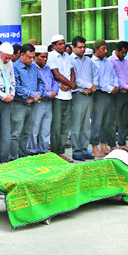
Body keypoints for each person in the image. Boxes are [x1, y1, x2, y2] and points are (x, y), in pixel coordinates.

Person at [11, 44, 44, 159]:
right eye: (29, 57)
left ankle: (23, 156)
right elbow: (16, 86)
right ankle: (13, 158)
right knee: (16, 133)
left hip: (32, 104)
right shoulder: (14, 67)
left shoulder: (34, 67)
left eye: (33, 57)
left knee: (26, 132)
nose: (31, 60)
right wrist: (31, 94)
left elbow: (41, 82)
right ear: (22, 55)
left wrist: (38, 95)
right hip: (19, 104)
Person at [48, 34, 76, 162]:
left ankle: (61, 152)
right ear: (54, 45)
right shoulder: (51, 56)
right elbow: (57, 75)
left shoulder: (67, 56)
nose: (62, 46)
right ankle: (55, 152)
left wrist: (71, 85)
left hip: (68, 94)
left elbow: (71, 71)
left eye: (63, 43)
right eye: (59, 43)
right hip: (58, 95)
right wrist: (71, 84)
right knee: (57, 126)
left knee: (65, 125)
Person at [70, 36, 97, 161]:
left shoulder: (89, 60)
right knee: (77, 124)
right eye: (79, 47)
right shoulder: (71, 60)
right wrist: (88, 86)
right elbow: (75, 79)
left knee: (86, 124)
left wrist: (93, 86)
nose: (82, 49)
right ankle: (76, 150)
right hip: (78, 95)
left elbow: (95, 74)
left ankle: (84, 148)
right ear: (73, 47)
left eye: (83, 47)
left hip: (89, 94)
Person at [90, 39, 119, 158]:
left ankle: (104, 145)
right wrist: (109, 88)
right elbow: (98, 80)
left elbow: (114, 75)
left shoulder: (108, 62)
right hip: (100, 93)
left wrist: (116, 85)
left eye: (106, 49)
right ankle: (94, 147)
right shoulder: (92, 62)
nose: (105, 51)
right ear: (96, 50)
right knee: (97, 121)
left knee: (108, 121)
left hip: (110, 94)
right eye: (103, 49)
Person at [28, 46, 58, 155]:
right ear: (35, 57)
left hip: (48, 102)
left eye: (46, 57)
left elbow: (54, 82)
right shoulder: (31, 68)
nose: (45, 59)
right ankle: (32, 150)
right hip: (38, 102)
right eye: (42, 57)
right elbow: (34, 86)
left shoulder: (47, 68)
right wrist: (48, 93)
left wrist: (54, 92)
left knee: (46, 129)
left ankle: (44, 151)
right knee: (34, 128)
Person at [108, 41, 128, 151]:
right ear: (117, 50)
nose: (124, 54)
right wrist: (124, 85)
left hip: (126, 92)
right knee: (115, 118)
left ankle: (122, 142)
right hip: (117, 92)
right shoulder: (111, 61)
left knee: (124, 118)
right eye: (122, 52)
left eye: (125, 52)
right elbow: (115, 76)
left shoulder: (127, 61)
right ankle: (112, 143)